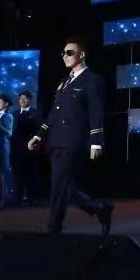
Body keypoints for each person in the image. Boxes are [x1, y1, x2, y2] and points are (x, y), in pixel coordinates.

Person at [28, 38, 115, 235]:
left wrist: (96, 142)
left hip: (74, 140)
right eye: (63, 53)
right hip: (56, 140)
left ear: (81, 55)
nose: (64, 56)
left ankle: (53, 228)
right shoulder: (64, 82)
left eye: (69, 53)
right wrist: (39, 135)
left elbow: (96, 112)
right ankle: (100, 208)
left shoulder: (92, 80)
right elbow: (54, 113)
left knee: (59, 185)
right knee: (64, 186)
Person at [12, 90, 42, 204]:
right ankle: (18, 197)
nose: (22, 100)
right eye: (20, 98)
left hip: (31, 148)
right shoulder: (14, 114)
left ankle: (33, 197)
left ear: (30, 99)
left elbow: (40, 129)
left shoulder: (35, 113)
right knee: (17, 174)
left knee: (31, 173)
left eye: (25, 98)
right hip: (16, 149)